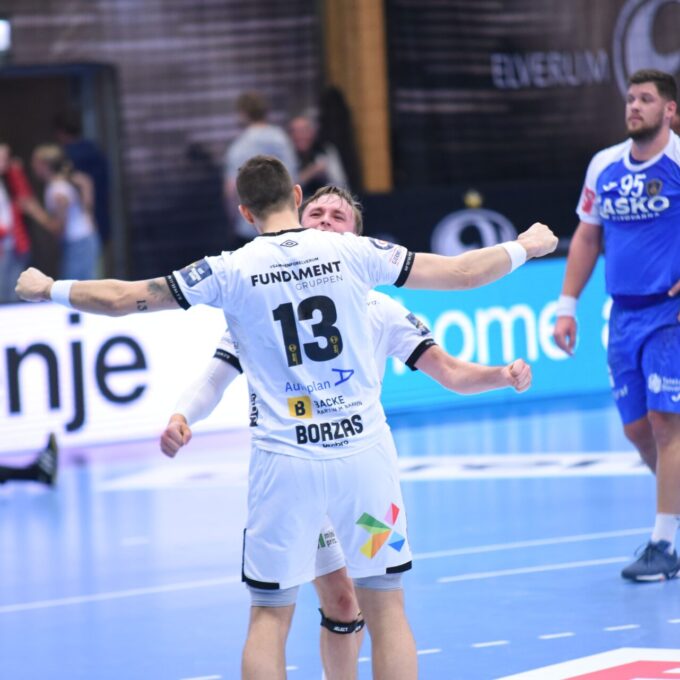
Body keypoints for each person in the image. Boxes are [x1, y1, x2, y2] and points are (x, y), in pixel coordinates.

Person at [16, 155, 557, 680]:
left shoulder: (229, 270)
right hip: (363, 463)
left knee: (270, 616)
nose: (326, 219)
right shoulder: (356, 253)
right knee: (385, 607)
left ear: (244, 211)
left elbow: (122, 298)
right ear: (297, 198)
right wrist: (526, 246)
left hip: (285, 467)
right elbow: (462, 272)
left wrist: (48, 288)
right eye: (318, 211)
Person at [160, 185, 533, 680]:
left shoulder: (381, 309)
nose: (325, 221)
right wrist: (183, 414)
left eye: (338, 216)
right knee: (334, 597)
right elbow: (215, 376)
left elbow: (448, 370)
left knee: (363, 600)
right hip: (294, 469)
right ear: (296, 219)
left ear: (356, 237)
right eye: (315, 212)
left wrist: (500, 375)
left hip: (357, 467)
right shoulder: (259, 297)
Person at [553, 69, 680, 582]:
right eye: (630, 98)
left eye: (646, 99)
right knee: (636, 430)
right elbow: (587, 237)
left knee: (666, 423)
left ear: (669, 110)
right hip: (623, 314)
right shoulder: (604, 165)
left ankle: (665, 544)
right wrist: (566, 305)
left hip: (669, 314)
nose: (634, 106)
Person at [223, 92, 298, 246]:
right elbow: (294, 178)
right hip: (286, 226)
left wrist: (234, 221)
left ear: (243, 114)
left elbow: (231, 191)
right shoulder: (281, 139)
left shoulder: (239, 146)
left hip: (250, 230)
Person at [25, 144, 100, 280]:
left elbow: (59, 228)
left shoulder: (58, 191)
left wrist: (35, 211)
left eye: (35, 162)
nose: (32, 166)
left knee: (73, 287)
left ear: (44, 165)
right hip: (82, 240)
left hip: (78, 243)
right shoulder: (59, 185)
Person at [54, 110, 111, 247]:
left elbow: (82, 184)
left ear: (61, 133)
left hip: (81, 219)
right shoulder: (94, 149)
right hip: (101, 210)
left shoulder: (69, 156)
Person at [0, 143, 33, 303]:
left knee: (15, 291)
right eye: (2, 158)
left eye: (7, 158)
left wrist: (17, 173)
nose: (6, 162)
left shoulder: (7, 180)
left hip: (15, 243)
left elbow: (25, 198)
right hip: (3, 243)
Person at [289, 115, 348, 195]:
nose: (299, 136)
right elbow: (288, 189)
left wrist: (326, 175)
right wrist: (311, 172)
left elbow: (341, 185)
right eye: (295, 132)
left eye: (304, 131)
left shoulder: (326, 151)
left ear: (312, 132)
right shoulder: (287, 155)